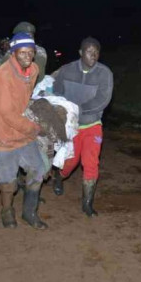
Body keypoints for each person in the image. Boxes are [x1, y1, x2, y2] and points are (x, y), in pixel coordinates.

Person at [0, 32, 49, 230]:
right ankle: (7, 210)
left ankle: (29, 213)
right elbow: (7, 114)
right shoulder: (3, 76)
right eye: (22, 53)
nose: (27, 57)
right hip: (2, 135)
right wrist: (36, 127)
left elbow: (26, 98)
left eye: (31, 52)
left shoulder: (34, 69)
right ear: (13, 53)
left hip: (22, 132)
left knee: (38, 170)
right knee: (8, 181)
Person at [51, 37, 114, 217]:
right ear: (80, 53)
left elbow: (103, 100)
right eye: (89, 51)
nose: (93, 55)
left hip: (93, 124)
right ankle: (58, 176)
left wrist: (78, 109)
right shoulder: (67, 70)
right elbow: (57, 91)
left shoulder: (104, 73)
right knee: (71, 162)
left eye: (96, 52)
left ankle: (87, 204)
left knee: (91, 162)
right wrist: (64, 110)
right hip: (71, 126)